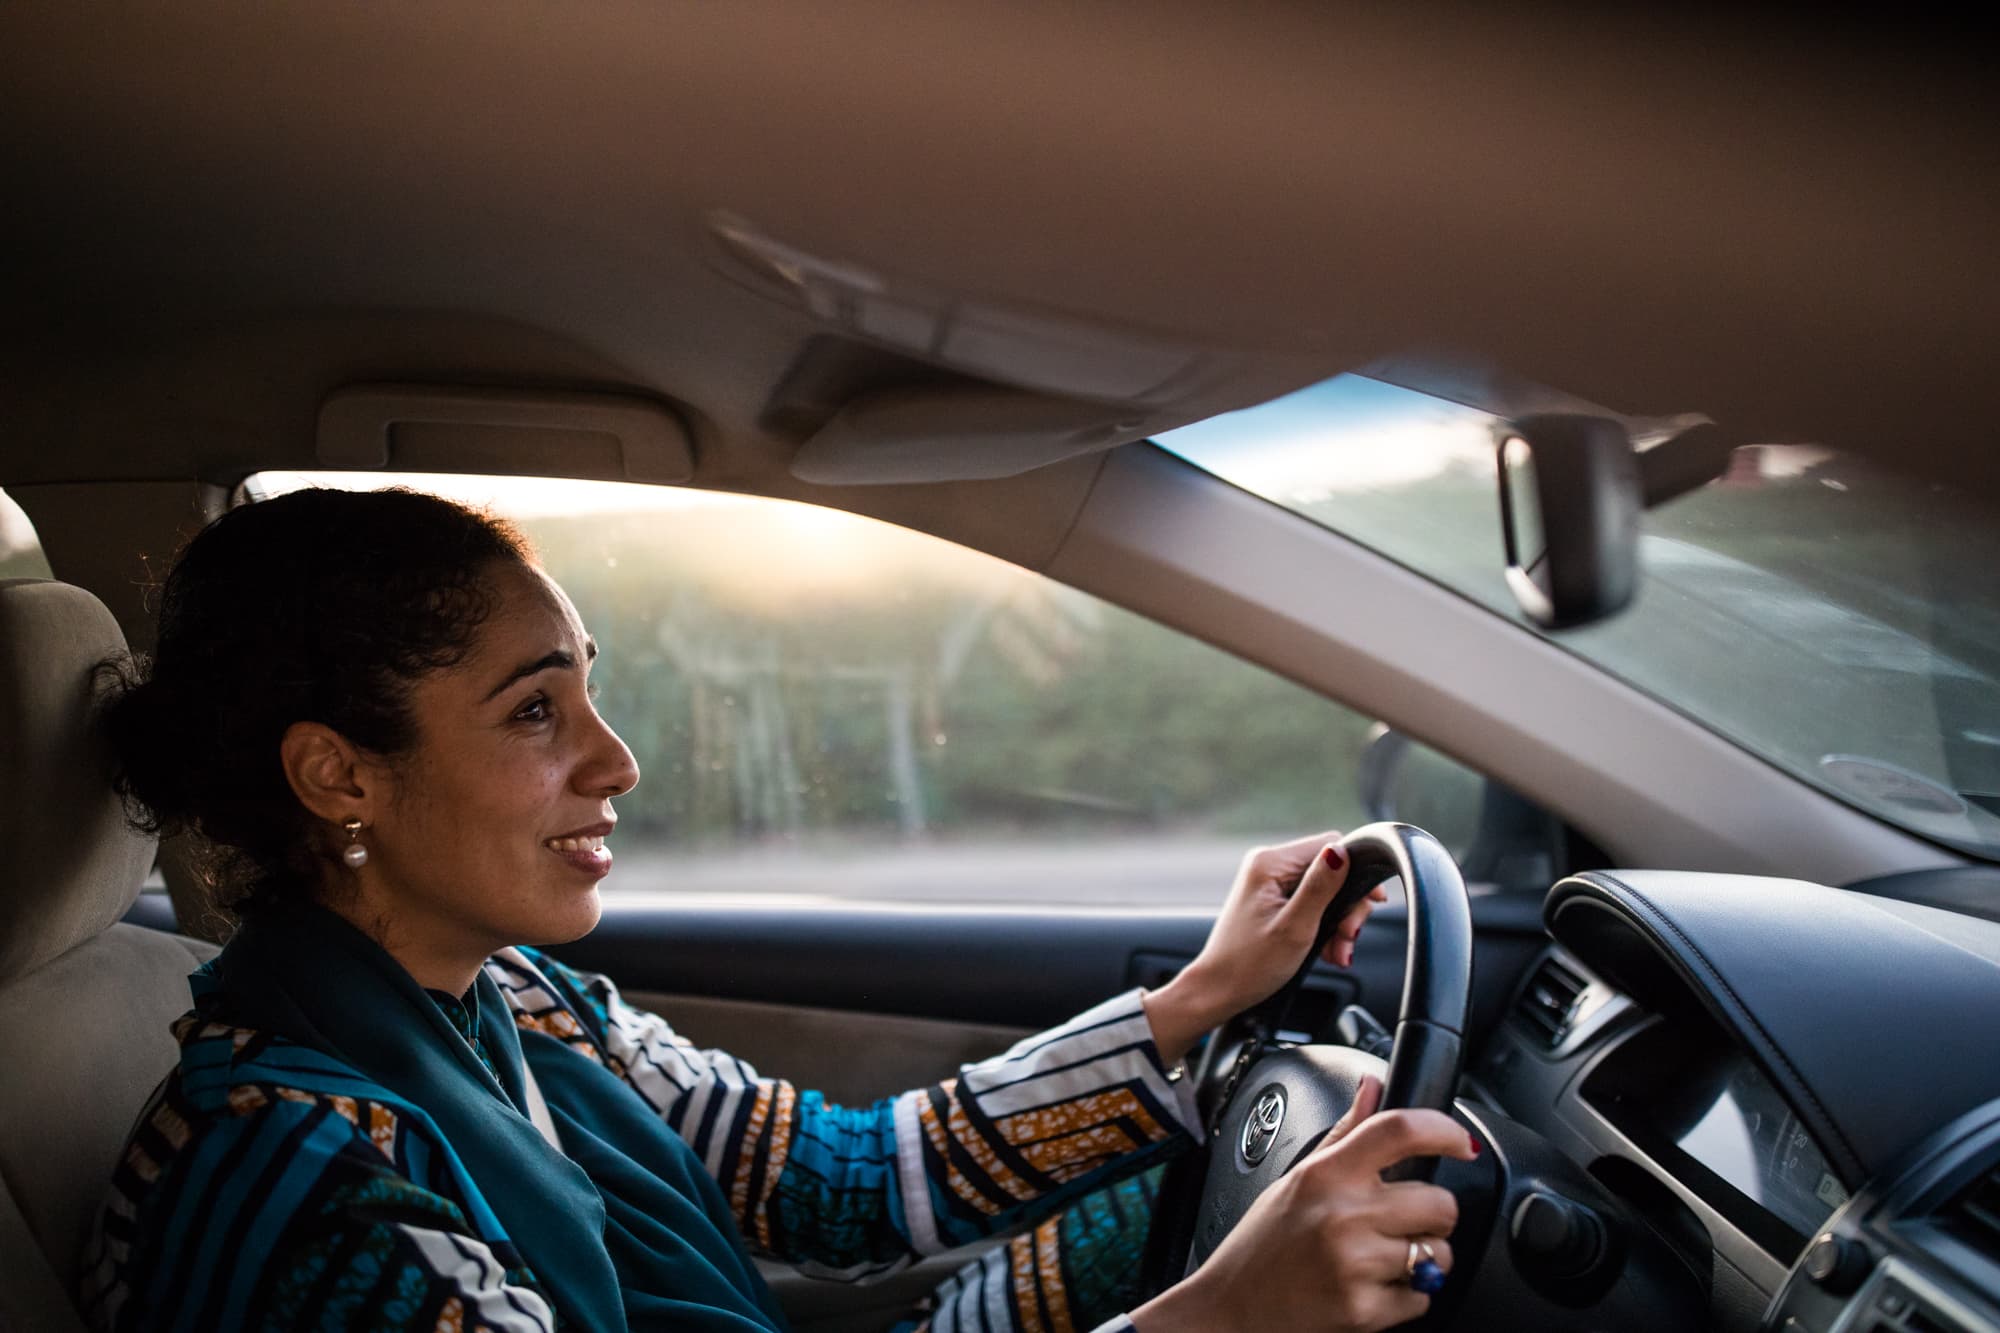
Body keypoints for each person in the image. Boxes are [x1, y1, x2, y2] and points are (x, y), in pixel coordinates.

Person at [82, 487, 1473, 1333]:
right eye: (534, 711)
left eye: (590, 690)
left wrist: (1203, 998)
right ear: (341, 776)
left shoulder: (524, 1005)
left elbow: (843, 1183)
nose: (618, 761)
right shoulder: (305, 1186)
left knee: (1175, 1188)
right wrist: (1225, 1314)